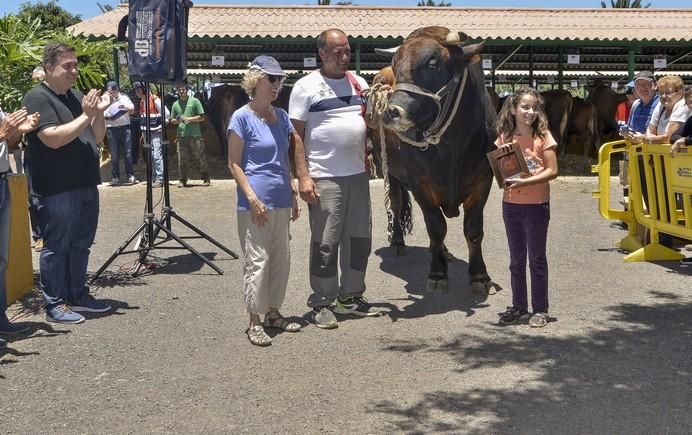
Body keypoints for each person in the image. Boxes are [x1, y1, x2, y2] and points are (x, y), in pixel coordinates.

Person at [289, 28, 378, 329]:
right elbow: (296, 137)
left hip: (357, 175)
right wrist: (303, 176)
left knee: (359, 239)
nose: (344, 57)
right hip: (324, 176)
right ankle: (322, 301)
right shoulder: (306, 87)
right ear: (322, 54)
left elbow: (371, 123)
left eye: (348, 51)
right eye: (337, 52)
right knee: (326, 242)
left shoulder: (360, 83)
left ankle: (350, 296)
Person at [22, 42, 113, 324]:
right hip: (56, 188)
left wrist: (97, 113)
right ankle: (55, 302)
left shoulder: (76, 96)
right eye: (67, 66)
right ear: (49, 68)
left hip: (85, 183)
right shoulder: (37, 98)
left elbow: (96, 137)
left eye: (75, 65)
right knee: (57, 246)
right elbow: (53, 138)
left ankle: (78, 294)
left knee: (81, 243)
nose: (74, 71)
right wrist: (86, 114)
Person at [227, 56, 302, 346]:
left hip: (281, 198)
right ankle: (254, 321)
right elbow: (233, 163)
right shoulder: (241, 118)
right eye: (273, 79)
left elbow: (286, 158)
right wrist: (251, 196)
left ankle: (273, 313)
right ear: (256, 80)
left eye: (280, 80)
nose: (278, 85)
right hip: (254, 203)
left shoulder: (281, 117)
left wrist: (293, 191)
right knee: (257, 261)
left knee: (280, 259)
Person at [495, 88, 559, 328]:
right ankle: (519, 306)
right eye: (525, 107)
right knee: (516, 259)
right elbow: (503, 171)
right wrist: (504, 177)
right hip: (511, 206)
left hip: (536, 206)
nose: (530, 112)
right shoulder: (504, 137)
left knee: (537, 259)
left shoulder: (544, 137)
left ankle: (540, 309)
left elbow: (552, 171)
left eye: (534, 108)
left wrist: (525, 181)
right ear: (513, 109)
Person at [0, 107, 39, 337]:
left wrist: (18, 131)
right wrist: (3, 133)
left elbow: (9, 143)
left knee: (2, 259)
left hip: (3, 180)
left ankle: (0, 317)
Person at [170, 84, 210, 187]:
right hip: (181, 135)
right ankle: (182, 180)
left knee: (200, 157)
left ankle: (206, 177)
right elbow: (172, 120)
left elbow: (202, 117)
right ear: (177, 91)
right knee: (181, 159)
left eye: (183, 89)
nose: (182, 91)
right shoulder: (175, 104)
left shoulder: (195, 101)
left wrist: (189, 119)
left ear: (187, 90)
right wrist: (177, 120)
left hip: (195, 135)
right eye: (179, 89)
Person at [134, 83, 167, 187]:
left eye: (138, 90)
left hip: (156, 131)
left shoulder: (154, 99)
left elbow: (166, 113)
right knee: (150, 156)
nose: (137, 92)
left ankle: (160, 178)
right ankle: (154, 177)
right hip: (146, 132)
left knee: (156, 155)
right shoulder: (142, 101)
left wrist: (163, 125)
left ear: (143, 89)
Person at [104, 80, 136, 185]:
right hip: (111, 129)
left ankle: (130, 175)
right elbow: (102, 114)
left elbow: (132, 109)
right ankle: (115, 176)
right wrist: (110, 117)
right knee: (114, 154)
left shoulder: (124, 98)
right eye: (111, 91)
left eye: (115, 90)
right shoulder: (104, 99)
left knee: (128, 154)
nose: (113, 92)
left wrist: (124, 107)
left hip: (125, 128)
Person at [644, 75, 690, 145]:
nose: (663, 96)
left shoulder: (683, 105)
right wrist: (650, 137)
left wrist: (648, 139)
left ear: (680, 93)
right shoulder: (661, 104)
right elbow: (650, 130)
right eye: (661, 93)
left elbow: (669, 138)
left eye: (668, 93)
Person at [670, 86, 692, 156]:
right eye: (689, 102)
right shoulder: (691, 120)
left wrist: (684, 141)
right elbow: (673, 137)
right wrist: (686, 140)